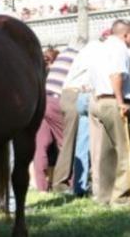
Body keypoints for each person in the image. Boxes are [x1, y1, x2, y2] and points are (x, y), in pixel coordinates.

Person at [88, 19, 130, 206]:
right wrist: (120, 102)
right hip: (114, 100)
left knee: (107, 153)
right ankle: (122, 197)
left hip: (99, 100)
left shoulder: (100, 47)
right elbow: (116, 74)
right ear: (126, 34)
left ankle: (105, 195)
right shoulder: (119, 48)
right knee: (127, 150)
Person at [52, 36, 104, 196]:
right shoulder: (96, 51)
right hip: (75, 95)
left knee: (77, 142)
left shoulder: (82, 52)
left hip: (68, 94)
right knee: (71, 142)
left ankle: (77, 183)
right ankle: (60, 183)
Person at [34, 45, 77, 191]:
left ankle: (41, 187)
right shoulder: (78, 57)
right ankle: (69, 184)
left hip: (44, 100)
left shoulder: (63, 55)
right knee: (66, 143)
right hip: (58, 101)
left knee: (41, 145)